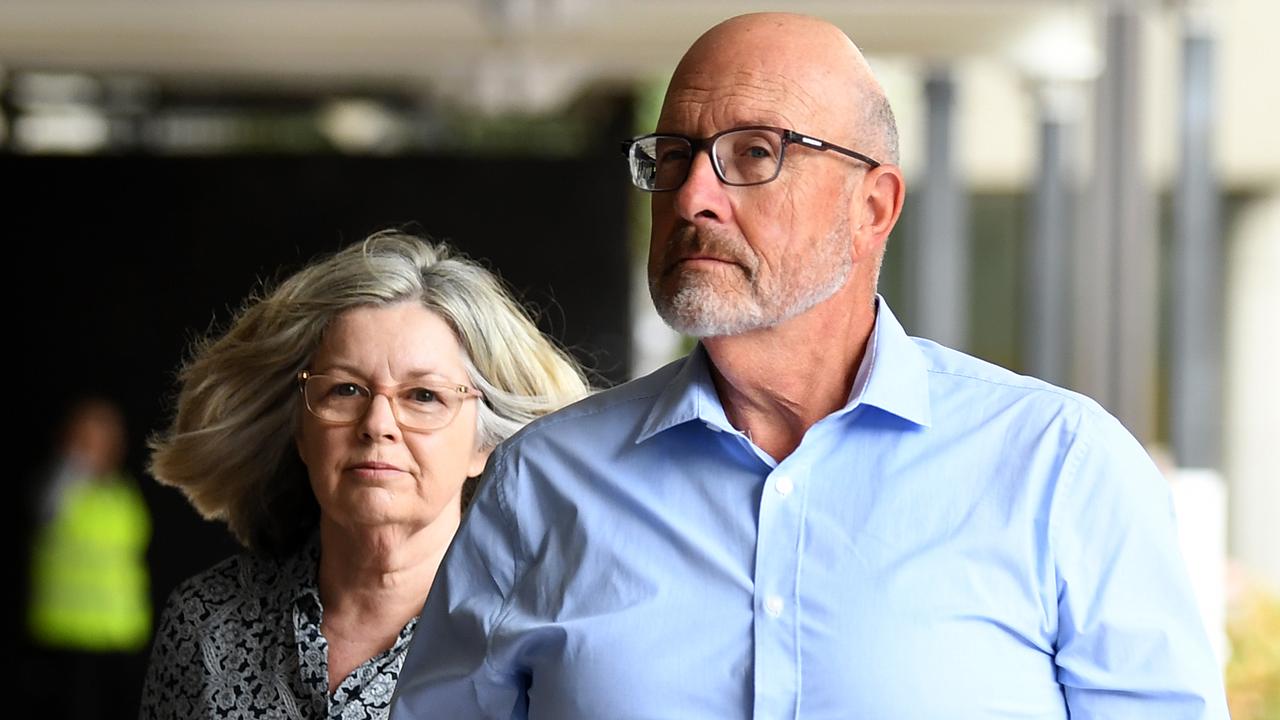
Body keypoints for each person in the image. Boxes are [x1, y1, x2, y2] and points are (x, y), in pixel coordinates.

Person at [390, 13, 1229, 720]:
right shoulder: (544, 484)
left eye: (755, 154)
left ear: (873, 208)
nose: (692, 198)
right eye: (673, 156)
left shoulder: (1060, 469)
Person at [138, 231, 589, 719]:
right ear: (301, 429)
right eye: (346, 390)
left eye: (423, 396)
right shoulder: (207, 622)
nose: (377, 424)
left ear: (486, 445)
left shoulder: (546, 640)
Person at [26, 397, 152, 720]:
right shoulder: (60, 488)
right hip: (69, 635)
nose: (95, 449)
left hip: (120, 634)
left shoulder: (121, 491)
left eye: (104, 440)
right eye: (86, 440)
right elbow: (45, 508)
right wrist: (75, 463)